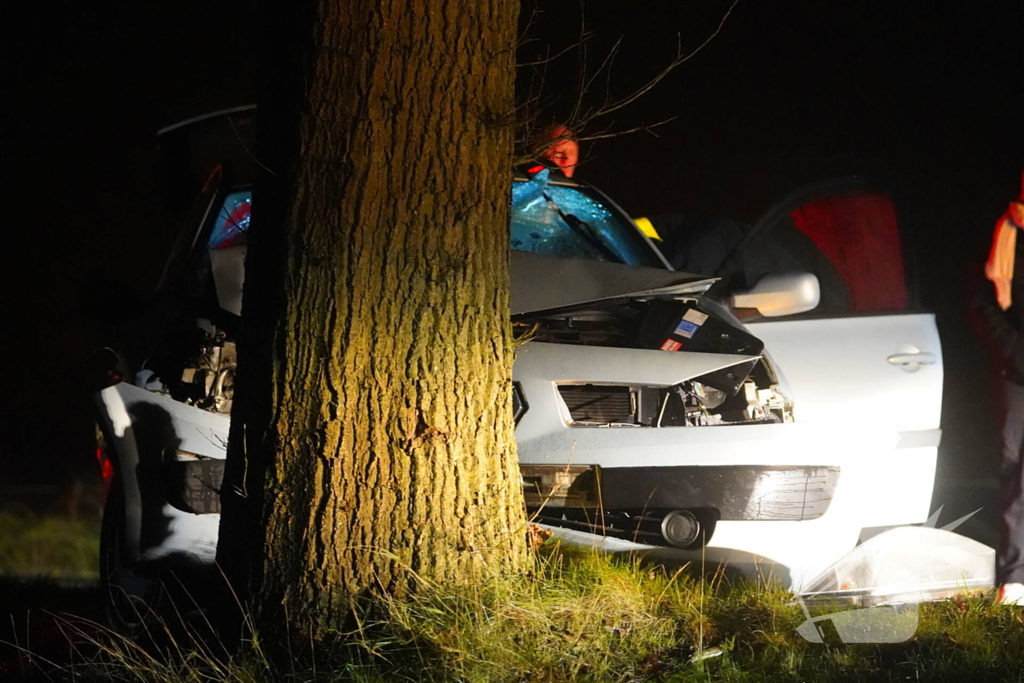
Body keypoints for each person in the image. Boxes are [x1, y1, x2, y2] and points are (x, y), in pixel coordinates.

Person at [973, 171, 1024, 605]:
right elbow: (981, 302)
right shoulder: (1002, 234)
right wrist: (1015, 351)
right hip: (1015, 368)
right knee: (1013, 464)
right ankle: (1016, 576)